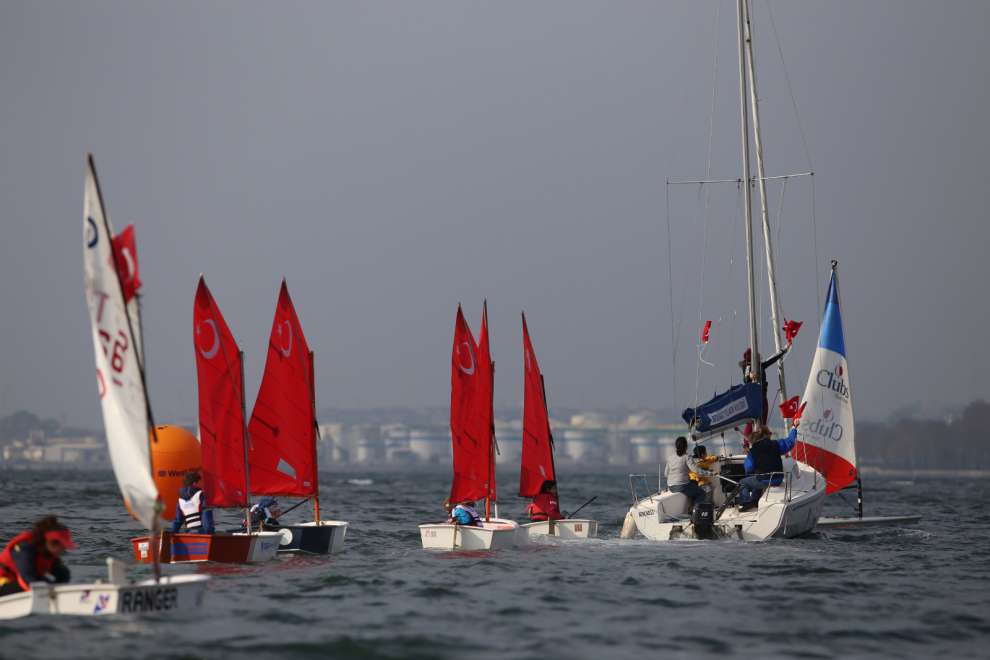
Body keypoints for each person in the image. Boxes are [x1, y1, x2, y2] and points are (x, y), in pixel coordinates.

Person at [0, 515, 75, 596]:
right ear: (51, 543)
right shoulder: (24, 548)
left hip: (24, 581)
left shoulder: (48, 552)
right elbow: (27, 577)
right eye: (62, 546)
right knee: (39, 585)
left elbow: (62, 576)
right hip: (4, 583)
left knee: (62, 574)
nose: (64, 549)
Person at [737, 420, 799, 511]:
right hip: (777, 479)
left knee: (743, 482)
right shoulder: (776, 444)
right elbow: (790, 442)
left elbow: (748, 468)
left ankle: (746, 502)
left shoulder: (753, 451)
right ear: (766, 435)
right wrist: (794, 428)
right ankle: (755, 500)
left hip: (764, 480)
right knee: (757, 478)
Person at [739, 346, 789, 423]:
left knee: (763, 420)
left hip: (763, 396)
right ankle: (750, 434)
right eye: (757, 355)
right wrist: (750, 376)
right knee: (753, 422)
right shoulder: (747, 366)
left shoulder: (761, 365)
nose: (759, 356)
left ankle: (762, 432)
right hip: (754, 399)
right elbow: (746, 379)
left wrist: (785, 349)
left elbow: (772, 359)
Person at [665, 436, 709, 506]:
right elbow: (695, 470)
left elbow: (666, 474)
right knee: (702, 493)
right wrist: (710, 473)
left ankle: (691, 506)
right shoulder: (687, 457)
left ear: (676, 446)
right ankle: (695, 512)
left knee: (694, 483)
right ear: (686, 446)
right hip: (682, 486)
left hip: (671, 486)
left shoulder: (670, 457)